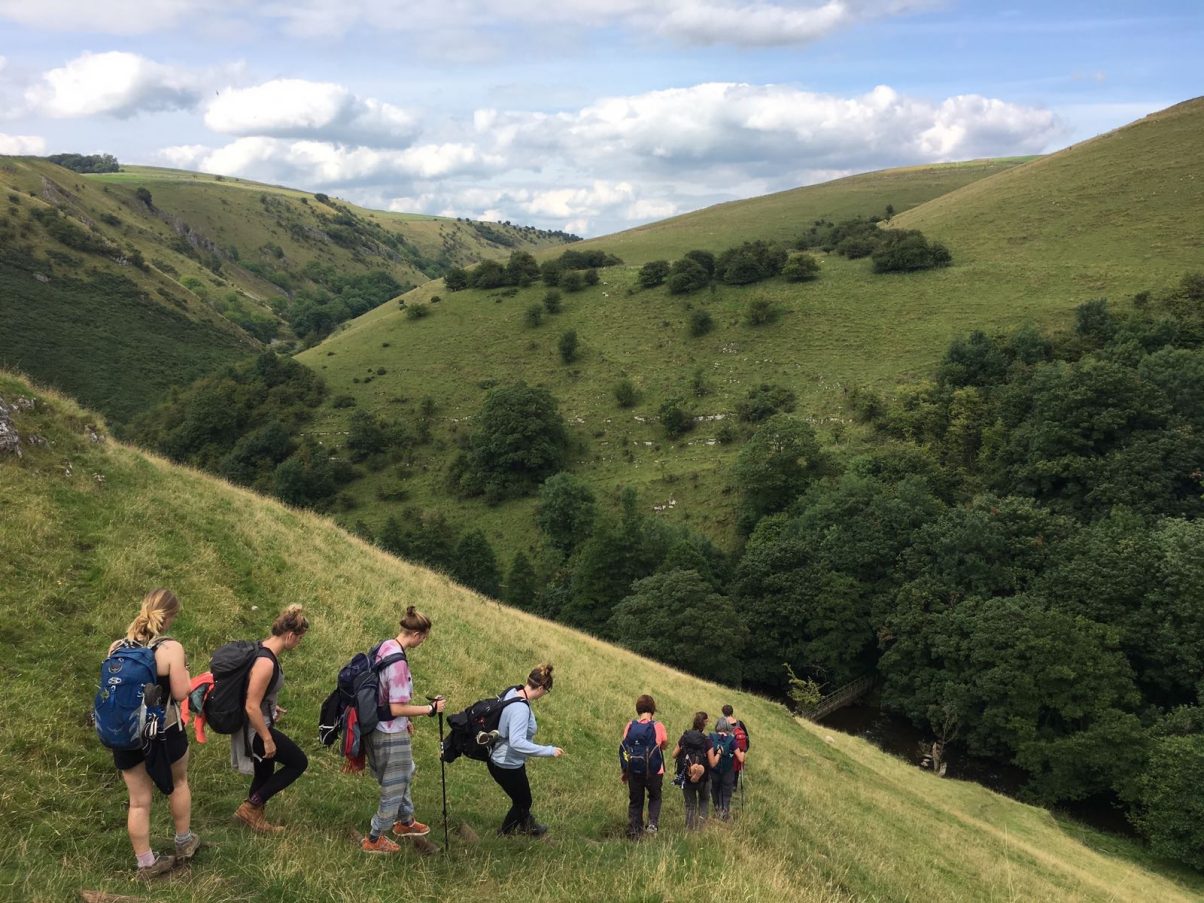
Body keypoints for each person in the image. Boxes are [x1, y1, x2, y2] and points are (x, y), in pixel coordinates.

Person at [109, 589, 198, 879]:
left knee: (138, 801)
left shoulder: (118, 647)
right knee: (179, 781)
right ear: (169, 616)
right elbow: (182, 693)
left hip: (127, 733)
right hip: (164, 730)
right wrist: (185, 671)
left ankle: (146, 862)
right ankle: (184, 842)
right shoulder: (171, 649)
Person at [361, 606, 447, 854]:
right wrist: (430, 709)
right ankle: (375, 838)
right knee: (395, 784)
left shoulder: (385, 646)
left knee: (405, 771)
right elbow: (397, 707)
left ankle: (406, 822)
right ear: (417, 634)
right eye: (424, 638)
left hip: (379, 724)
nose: (423, 642)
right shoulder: (398, 663)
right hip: (388, 731)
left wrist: (404, 719)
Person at [233, 604, 310, 833]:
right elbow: (250, 705)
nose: (299, 643)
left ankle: (252, 817)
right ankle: (250, 807)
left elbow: (255, 694)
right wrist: (267, 737)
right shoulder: (266, 662)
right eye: (300, 638)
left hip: (259, 721)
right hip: (255, 728)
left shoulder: (262, 649)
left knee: (264, 772)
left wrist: (273, 706)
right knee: (298, 762)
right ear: (289, 635)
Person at [488, 663, 563, 836]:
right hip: (506, 763)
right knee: (523, 801)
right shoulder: (521, 709)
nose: (545, 695)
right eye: (547, 691)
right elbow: (517, 742)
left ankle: (528, 825)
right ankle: (505, 833)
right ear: (542, 687)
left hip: (504, 759)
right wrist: (548, 751)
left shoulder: (513, 692)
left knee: (520, 797)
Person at [619, 695, 669, 838]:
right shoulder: (658, 726)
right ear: (653, 709)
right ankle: (652, 824)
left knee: (635, 799)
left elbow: (626, 747)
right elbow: (664, 743)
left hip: (634, 769)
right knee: (655, 796)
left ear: (638, 709)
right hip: (654, 770)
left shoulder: (630, 725)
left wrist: (625, 771)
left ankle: (634, 829)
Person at [671, 711, 716, 830]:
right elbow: (712, 763)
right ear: (704, 723)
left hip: (686, 777)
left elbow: (674, 754)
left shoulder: (684, 737)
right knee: (704, 801)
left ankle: (689, 830)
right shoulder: (707, 740)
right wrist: (719, 754)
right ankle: (701, 828)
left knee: (690, 805)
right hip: (704, 779)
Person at [709, 717, 745, 821]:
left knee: (714, 789)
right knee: (726, 792)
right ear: (728, 727)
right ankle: (724, 812)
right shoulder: (732, 740)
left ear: (717, 726)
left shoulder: (711, 737)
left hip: (714, 769)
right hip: (728, 771)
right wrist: (742, 752)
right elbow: (740, 758)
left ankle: (716, 809)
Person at [722, 703, 750, 788]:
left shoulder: (723, 724)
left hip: (728, 749)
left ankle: (726, 783)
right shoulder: (740, 723)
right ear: (732, 712)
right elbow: (746, 737)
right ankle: (734, 785)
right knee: (736, 766)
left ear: (723, 713)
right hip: (739, 749)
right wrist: (744, 751)